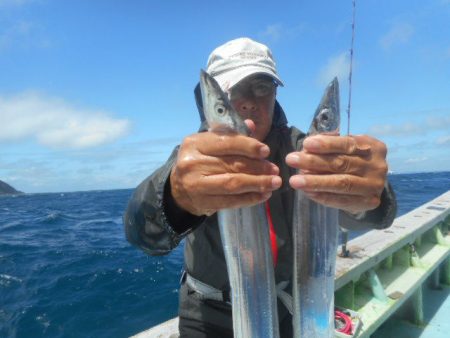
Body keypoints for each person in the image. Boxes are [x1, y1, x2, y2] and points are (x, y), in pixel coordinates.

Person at [124, 37, 397, 337]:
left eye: (261, 86)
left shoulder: (306, 152)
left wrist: (373, 197)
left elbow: (375, 216)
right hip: (207, 318)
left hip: (288, 311)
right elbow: (141, 234)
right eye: (231, 91)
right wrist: (174, 197)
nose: (248, 100)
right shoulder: (192, 162)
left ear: (275, 94)